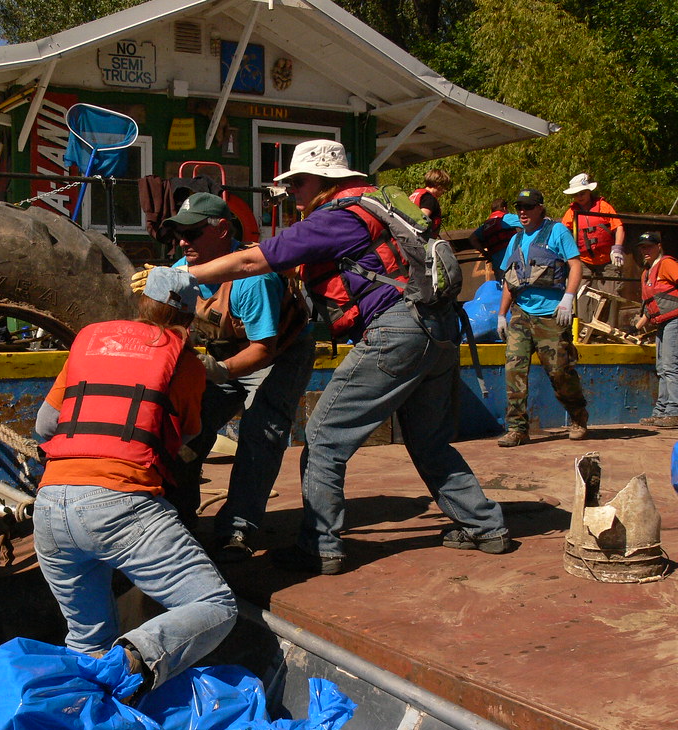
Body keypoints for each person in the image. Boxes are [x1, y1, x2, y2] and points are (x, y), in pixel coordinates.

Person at [173, 139, 510, 575]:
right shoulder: (377, 208)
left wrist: (179, 276)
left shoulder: (337, 217)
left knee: (324, 439)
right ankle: (486, 526)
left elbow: (250, 262)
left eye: (298, 182)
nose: (292, 192)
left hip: (395, 331)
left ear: (324, 182)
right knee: (428, 440)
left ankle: (318, 547)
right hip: (439, 330)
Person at [32, 267, 236, 693]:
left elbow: (45, 425)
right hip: (120, 503)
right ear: (186, 314)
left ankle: (82, 723)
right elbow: (189, 435)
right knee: (214, 605)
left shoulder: (90, 342)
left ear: (142, 304)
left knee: (87, 640)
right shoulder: (186, 362)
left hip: (50, 507)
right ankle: (134, 660)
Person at [151, 192, 314, 563]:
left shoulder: (252, 280)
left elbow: (263, 351)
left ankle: (236, 530)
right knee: (187, 426)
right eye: (179, 234)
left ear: (222, 230)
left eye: (192, 233)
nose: (183, 242)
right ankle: (179, 518)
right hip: (221, 352)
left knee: (262, 431)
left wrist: (217, 371)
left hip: (278, 354)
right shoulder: (180, 274)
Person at [496, 189, 588, 447]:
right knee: (514, 371)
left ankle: (578, 415)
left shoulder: (557, 232)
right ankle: (517, 429)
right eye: (519, 208)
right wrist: (502, 314)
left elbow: (576, 265)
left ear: (540, 208)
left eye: (528, 207)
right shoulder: (515, 241)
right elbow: (509, 280)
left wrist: (568, 298)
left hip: (551, 316)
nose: (523, 212)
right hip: (521, 315)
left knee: (559, 372)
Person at [559, 173, 626, 321]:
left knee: (612, 296)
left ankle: (609, 331)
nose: (579, 197)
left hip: (607, 260)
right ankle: (582, 328)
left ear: (589, 191)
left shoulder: (603, 206)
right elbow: (563, 233)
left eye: (582, 193)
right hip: (583, 261)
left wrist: (617, 248)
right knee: (579, 294)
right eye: (576, 195)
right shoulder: (571, 212)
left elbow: (618, 227)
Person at [634, 231, 678, 429]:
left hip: (675, 320)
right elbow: (651, 307)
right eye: (643, 247)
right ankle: (661, 410)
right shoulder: (647, 272)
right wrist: (635, 327)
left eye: (649, 246)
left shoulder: (667, 264)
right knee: (661, 368)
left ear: (659, 246)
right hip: (662, 322)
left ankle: (674, 411)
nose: (645, 251)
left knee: (670, 366)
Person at [468, 198, 521, 283]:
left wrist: (485, 253)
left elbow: (472, 238)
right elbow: (530, 221)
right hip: (512, 263)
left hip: (497, 265)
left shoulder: (486, 226)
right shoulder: (507, 218)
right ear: (504, 208)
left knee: (503, 290)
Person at [409, 168, 451, 237]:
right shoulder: (429, 199)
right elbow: (422, 219)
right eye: (444, 188)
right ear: (439, 186)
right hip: (420, 239)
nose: (444, 191)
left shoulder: (416, 194)